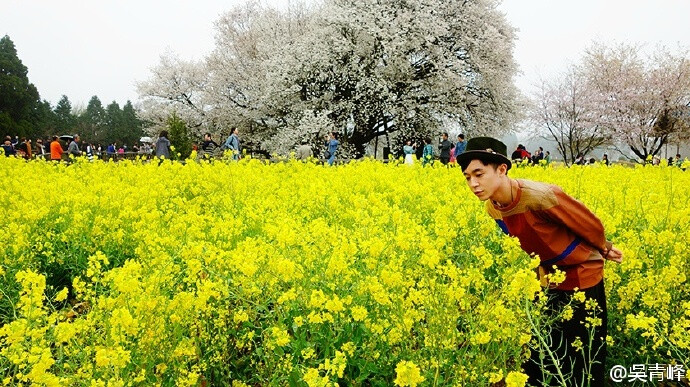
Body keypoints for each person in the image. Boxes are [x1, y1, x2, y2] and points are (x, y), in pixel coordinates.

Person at [458, 137, 623, 386]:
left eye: (479, 174)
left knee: (582, 356)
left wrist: (605, 247)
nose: (473, 184)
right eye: (468, 177)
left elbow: (589, 224)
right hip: (546, 276)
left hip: (581, 274)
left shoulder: (541, 196)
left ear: (502, 169)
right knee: (540, 352)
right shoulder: (492, 207)